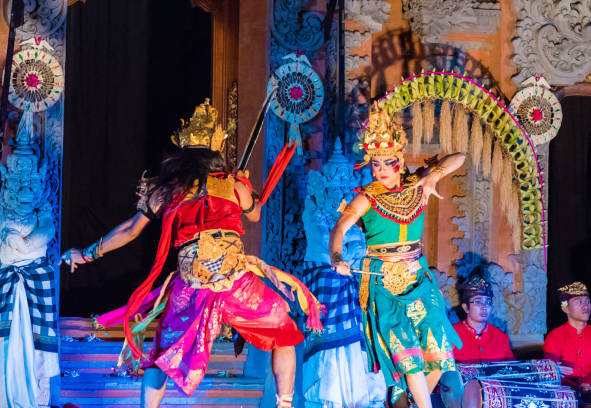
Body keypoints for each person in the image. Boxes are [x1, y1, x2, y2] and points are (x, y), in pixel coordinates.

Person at [60, 99, 323, 408]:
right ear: (216, 154)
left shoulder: (168, 189)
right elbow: (254, 214)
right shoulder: (233, 186)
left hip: (193, 285)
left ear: (181, 157)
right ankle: (284, 403)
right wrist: (244, 190)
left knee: (162, 354)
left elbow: (130, 231)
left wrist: (87, 254)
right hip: (235, 283)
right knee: (284, 332)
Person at [329, 102, 464, 408]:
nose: (380, 170)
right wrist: (337, 258)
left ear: (400, 161)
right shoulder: (366, 198)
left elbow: (461, 158)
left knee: (440, 354)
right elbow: (339, 229)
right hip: (383, 282)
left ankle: (410, 400)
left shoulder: (418, 184)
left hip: (417, 278)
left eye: (387, 163)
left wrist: (434, 175)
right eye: (374, 164)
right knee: (409, 358)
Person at [439, 275, 514, 408]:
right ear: (465, 307)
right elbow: (442, 378)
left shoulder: (501, 337)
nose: (484, 307)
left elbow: (512, 373)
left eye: (488, 302)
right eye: (478, 302)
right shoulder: (450, 335)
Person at [544, 282, 591, 405]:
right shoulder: (555, 336)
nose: (585, 306)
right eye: (579, 301)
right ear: (565, 308)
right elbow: (550, 374)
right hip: (564, 394)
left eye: (587, 301)